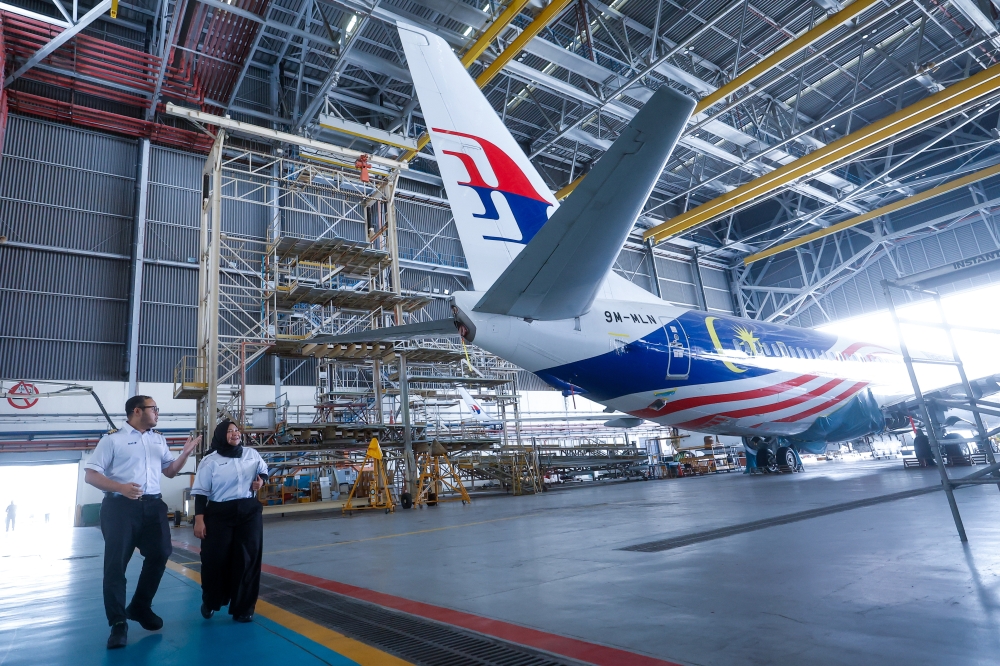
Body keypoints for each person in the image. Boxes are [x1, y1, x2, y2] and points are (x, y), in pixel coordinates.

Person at [84, 395, 201, 649]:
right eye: (154, 408)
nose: (158, 412)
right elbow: (91, 475)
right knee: (116, 565)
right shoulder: (112, 440)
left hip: (153, 506)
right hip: (119, 507)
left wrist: (185, 453)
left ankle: (139, 605)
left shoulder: (158, 439)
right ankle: (118, 623)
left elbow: (169, 471)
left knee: (161, 552)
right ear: (137, 411)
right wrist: (121, 487)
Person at [191, 420, 268, 623]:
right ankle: (211, 600)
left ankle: (244, 608)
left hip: (248, 512)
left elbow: (263, 471)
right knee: (215, 560)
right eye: (230, 431)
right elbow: (200, 493)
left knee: (247, 559)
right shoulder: (210, 461)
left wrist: (261, 481)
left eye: (237, 430)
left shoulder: (251, 454)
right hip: (219, 513)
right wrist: (199, 520)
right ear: (220, 434)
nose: (235, 434)